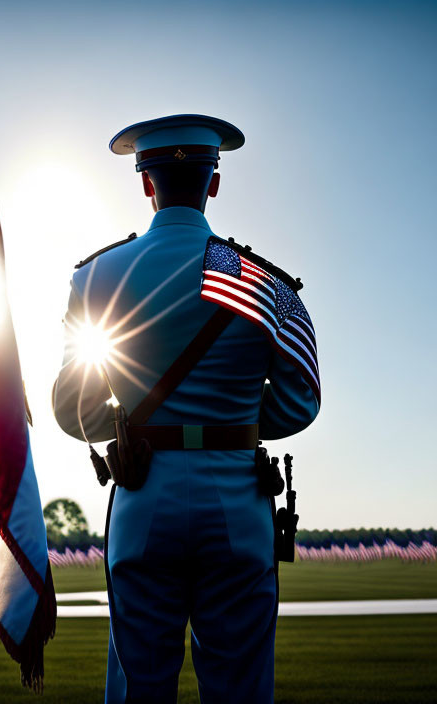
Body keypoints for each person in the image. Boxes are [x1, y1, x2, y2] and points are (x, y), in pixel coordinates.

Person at [52, 115, 320, 703]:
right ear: (214, 183)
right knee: (241, 690)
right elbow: (303, 400)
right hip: (238, 500)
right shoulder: (263, 282)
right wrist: (238, 424)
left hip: (144, 495)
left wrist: (126, 426)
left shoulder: (97, 276)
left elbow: (72, 409)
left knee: (139, 689)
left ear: (145, 183)